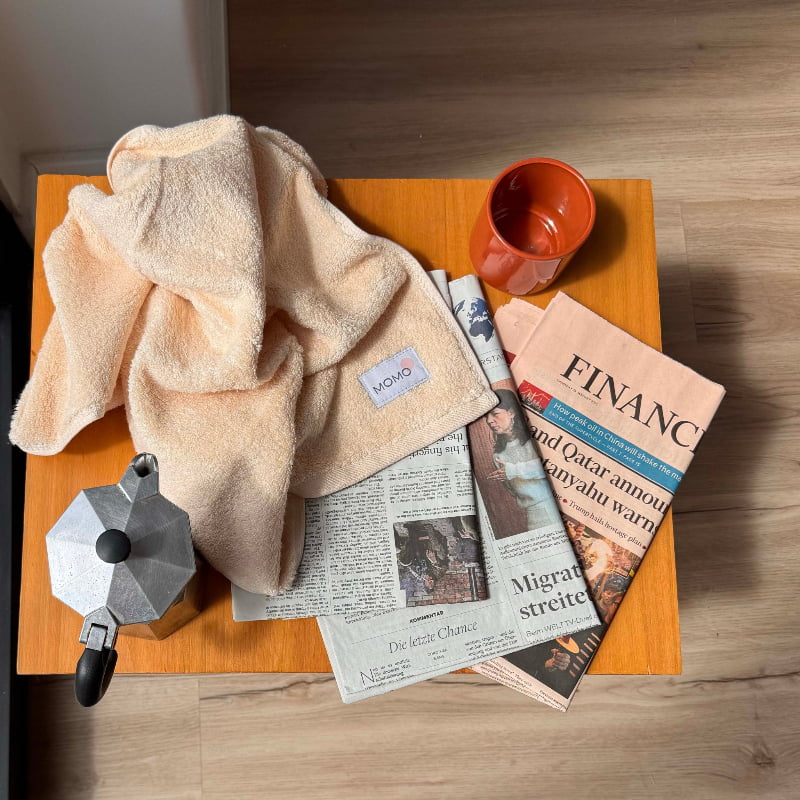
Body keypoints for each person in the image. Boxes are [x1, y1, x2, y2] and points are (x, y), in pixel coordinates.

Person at [485, 389, 557, 530]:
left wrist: (514, 470)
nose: (489, 421)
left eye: (495, 414)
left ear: (511, 413)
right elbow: (511, 488)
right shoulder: (498, 455)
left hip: (552, 505)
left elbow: (552, 467)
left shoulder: (534, 438)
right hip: (532, 514)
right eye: (486, 417)